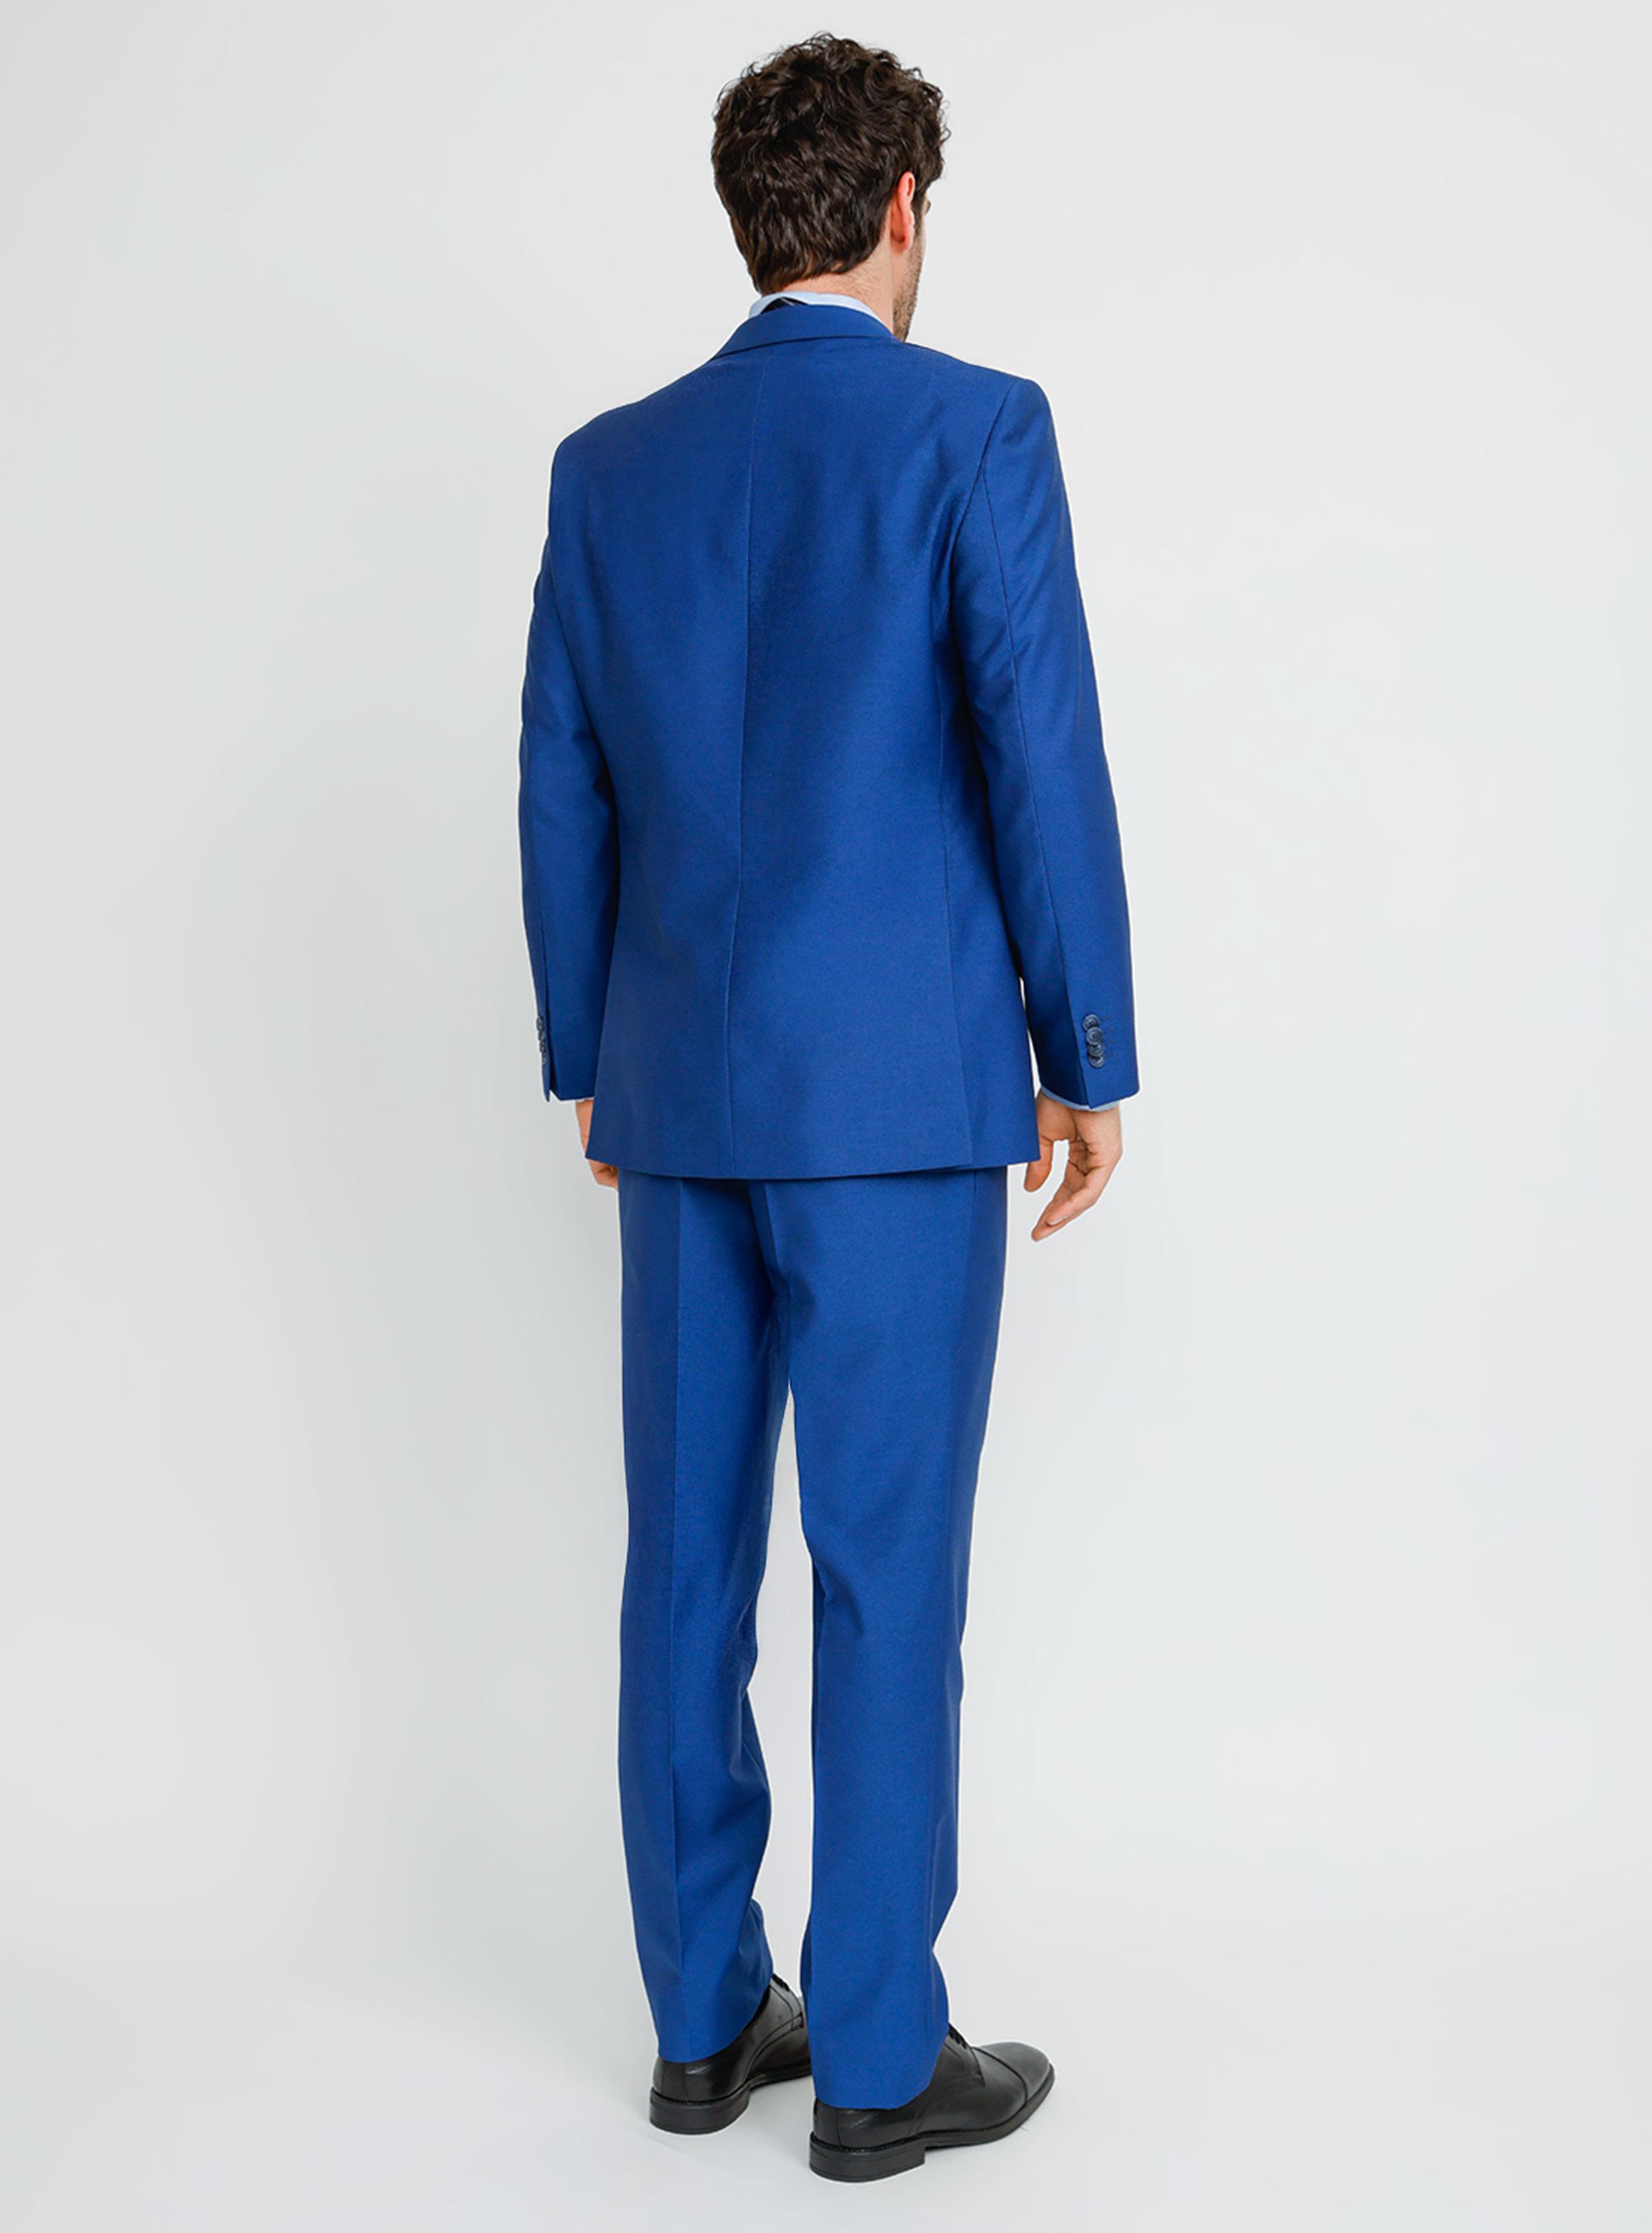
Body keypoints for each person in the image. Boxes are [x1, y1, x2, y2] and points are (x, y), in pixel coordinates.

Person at [516, 32, 1136, 2183]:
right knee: (882, 1572)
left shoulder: (610, 466)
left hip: (679, 1097)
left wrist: (590, 1058)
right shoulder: (975, 427)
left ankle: (703, 2025)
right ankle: (875, 2062)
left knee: (681, 1565)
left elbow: (561, 778)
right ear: (897, 209)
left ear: (750, 218)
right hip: (896, 1102)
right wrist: (1086, 1055)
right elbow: (1037, 752)